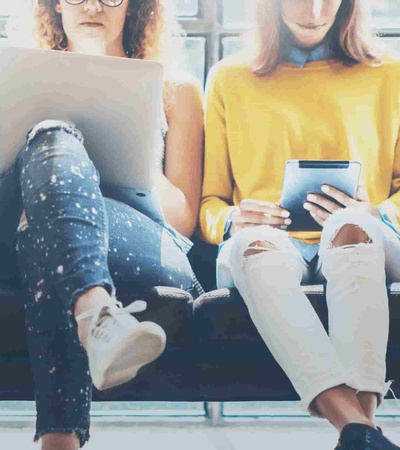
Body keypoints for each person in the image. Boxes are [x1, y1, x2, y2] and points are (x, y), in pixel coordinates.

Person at [2, 0, 204, 448]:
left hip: (140, 233)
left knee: (49, 232)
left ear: (135, 7)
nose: (93, 5)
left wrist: (133, 136)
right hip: (21, 218)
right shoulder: (16, 80)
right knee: (52, 138)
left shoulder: (177, 90)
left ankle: (60, 436)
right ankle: (96, 313)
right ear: (53, 4)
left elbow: (183, 219)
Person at [200, 0, 400, 449]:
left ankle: (358, 427)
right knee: (255, 244)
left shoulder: (390, 73)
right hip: (267, 242)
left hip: (363, 234)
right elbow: (208, 204)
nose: (314, 10)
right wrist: (234, 217)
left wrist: (378, 211)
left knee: (351, 224)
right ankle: (361, 433)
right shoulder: (230, 79)